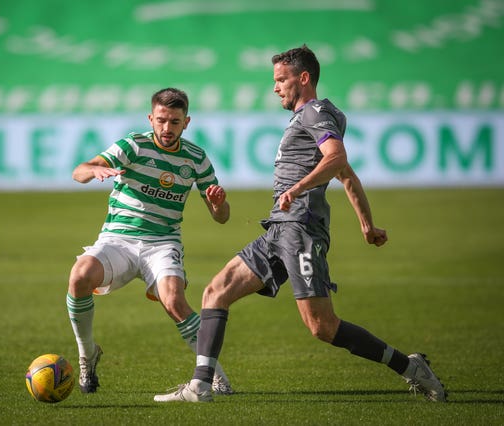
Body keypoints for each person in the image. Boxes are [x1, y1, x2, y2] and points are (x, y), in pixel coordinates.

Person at [154, 45, 447, 403]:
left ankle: (410, 367)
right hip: (280, 228)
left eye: (281, 79)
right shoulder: (312, 118)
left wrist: (297, 187)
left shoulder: (316, 112)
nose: (275, 88)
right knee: (216, 291)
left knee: (322, 327)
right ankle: (200, 386)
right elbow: (348, 175)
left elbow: (337, 157)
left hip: (301, 230)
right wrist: (367, 225)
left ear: (303, 78)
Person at [66, 88, 234, 395]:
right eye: (161, 121)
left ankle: (212, 375)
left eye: (174, 122)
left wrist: (219, 203)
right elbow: (78, 171)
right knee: (79, 277)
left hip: (162, 243)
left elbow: (221, 217)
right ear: (150, 118)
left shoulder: (196, 158)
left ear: (187, 122)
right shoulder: (133, 145)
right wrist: (94, 170)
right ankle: (86, 354)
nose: (167, 128)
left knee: (174, 301)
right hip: (118, 240)